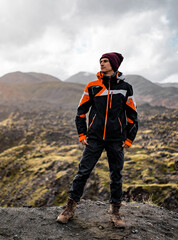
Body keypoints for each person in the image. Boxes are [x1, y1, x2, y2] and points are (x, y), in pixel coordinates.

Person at [56, 52, 138, 228]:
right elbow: (80, 112)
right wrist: (82, 134)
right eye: (100, 61)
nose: (102, 63)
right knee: (83, 172)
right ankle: (69, 209)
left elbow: (132, 115)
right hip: (94, 138)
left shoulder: (125, 88)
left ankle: (115, 213)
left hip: (116, 139)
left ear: (114, 64)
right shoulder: (92, 86)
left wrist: (129, 138)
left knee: (116, 175)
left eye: (106, 61)